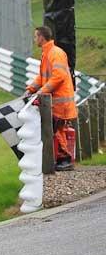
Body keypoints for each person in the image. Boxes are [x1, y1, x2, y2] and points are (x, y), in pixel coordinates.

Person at [23, 26, 78, 171]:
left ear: (42, 37)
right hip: (55, 101)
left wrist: (41, 91)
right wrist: (31, 89)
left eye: (36, 36)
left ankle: (65, 159)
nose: (34, 39)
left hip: (60, 101)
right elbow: (42, 77)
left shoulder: (55, 53)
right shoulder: (47, 53)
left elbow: (58, 76)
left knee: (57, 130)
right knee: (55, 130)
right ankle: (62, 159)